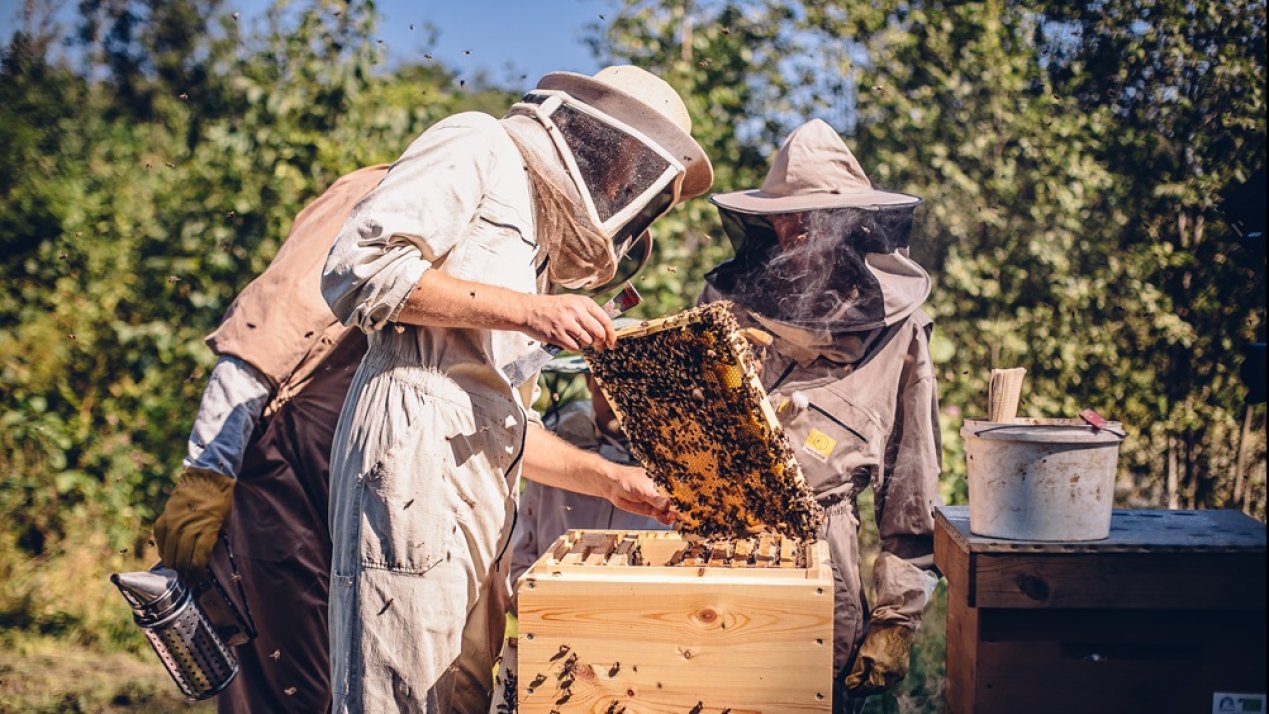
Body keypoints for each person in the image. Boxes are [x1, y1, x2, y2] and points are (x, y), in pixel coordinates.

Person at [320, 66, 712, 712]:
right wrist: (530, 312)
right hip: (412, 447)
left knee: (461, 693)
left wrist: (611, 481)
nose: (625, 188)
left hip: (477, 478)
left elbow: (501, 422)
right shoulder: (478, 142)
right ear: (605, 139)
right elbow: (355, 269)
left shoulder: (538, 248)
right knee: (398, 690)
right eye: (629, 169)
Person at [699, 119, 942, 712]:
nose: (794, 231)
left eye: (812, 217)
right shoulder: (725, 304)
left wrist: (897, 618)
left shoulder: (899, 330)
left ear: (851, 222)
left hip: (823, 551)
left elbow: (911, 489)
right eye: (783, 217)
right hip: (720, 549)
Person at [152, 164, 389, 713]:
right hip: (284, 482)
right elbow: (272, 325)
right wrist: (207, 473)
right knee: (290, 691)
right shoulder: (379, 192)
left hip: (355, 493)